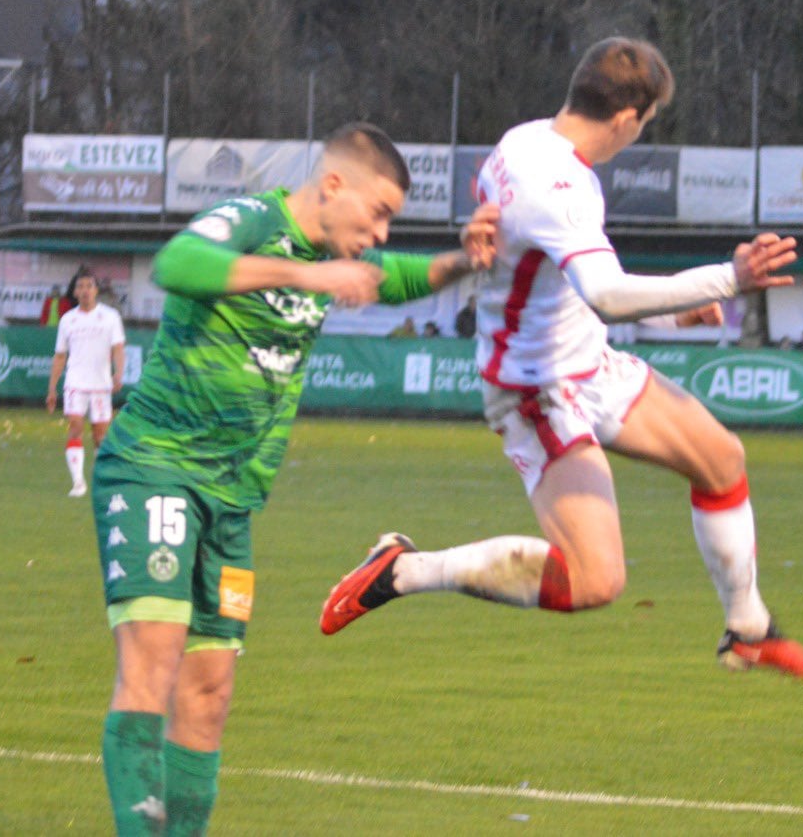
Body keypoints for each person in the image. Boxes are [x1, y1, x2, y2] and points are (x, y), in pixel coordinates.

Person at [321, 37, 803, 681]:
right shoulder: (561, 186)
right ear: (625, 118)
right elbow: (609, 294)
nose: (639, 135)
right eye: (645, 123)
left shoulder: (523, 141)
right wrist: (728, 278)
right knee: (594, 580)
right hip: (535, 385)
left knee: (721, 458)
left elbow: (552, 272)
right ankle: (404, 568)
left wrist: (674, 312)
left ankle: (748, 629)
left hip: (585, 359)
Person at [89, 122, 498, 835]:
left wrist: (463, 258)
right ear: (333, 184)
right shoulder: (255, 220)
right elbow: (177, 262)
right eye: (378, 213)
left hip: (231, 498)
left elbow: (399, 278)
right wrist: (307, 274)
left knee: (210, 691)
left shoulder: (332, 254)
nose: (379, 233)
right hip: (156, 464)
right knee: (155, 656)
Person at [47, 269, 127, 497]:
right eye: (80, 287)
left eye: (88, 286)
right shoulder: (67, 320)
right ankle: (78, 482)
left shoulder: (110, 317)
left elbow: (118, 348)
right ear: (75, 292)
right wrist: (52, 388)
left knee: (100, 435)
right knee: (75, 428)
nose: (84, 291)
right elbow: (60, 355)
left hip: (101, 385)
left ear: (96, 290)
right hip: (75, 383)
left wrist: (118, 373)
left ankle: (101, 476)